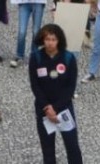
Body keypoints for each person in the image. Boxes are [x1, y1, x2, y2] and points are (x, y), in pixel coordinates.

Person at [28, 24, 82, 164]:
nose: (50, 43)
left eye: (53, 39)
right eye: (47, 39)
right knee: (47, 148)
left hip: (64, 109)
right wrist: (47, 107)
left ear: (59, 40)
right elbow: (35, 86)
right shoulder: (35, 58)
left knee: (72, 146)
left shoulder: (68, 58)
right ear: (42, 40)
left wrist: (56, 108)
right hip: (43, 110)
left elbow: (70, 87)